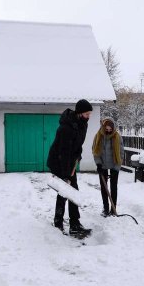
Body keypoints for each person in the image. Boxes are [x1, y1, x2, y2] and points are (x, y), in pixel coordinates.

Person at [47, 99, 93, 236]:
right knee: (65, 191)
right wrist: (66, 175)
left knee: (72, 192)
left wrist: (78, 155)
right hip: (59, 161)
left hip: (70, 161)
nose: (88, 116)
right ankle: (59, 222)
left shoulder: (82, 125)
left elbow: (77, 145)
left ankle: (74, 223)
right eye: (86, 113)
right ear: (79, 113)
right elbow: (64, 151)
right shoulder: (66, 128)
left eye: (89, 113)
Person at [92, 117, 124, 216]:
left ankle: (113, 209)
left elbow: (121, 152)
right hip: (102, 165)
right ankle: (105, 208)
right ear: (103, 127)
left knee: (113, 187)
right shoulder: (98, 136)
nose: (109, 131)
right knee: (104, 187)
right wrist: (98, 164)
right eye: (107, 129)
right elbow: (95, 151)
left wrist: (117, 167)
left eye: (110, 129)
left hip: (114, 164)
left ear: (113, 128)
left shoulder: (117, 137)